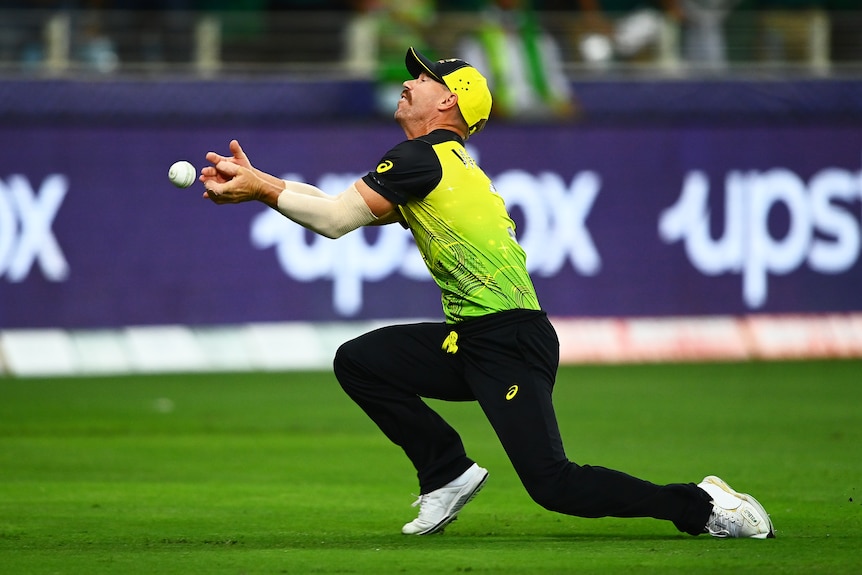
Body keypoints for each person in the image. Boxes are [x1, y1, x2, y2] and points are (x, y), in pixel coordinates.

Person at [198, 46, 775, 539]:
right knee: (362, 362)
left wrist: (259, 188)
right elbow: (335, 205)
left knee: (554, 485)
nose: (407, 82)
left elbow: (331, 219)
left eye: (422, 79)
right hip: (477, 338)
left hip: (509, 342)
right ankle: (446, 472)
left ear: (448, 101)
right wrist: (261, 184)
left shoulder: (419, 160)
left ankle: (704, 508)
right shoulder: (435, 164)